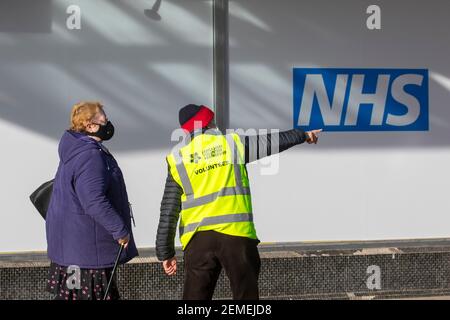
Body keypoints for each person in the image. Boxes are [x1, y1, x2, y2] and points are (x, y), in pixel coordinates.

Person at [156, 104, 321, 300]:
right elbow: (271, 142)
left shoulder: (178, 158)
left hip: (198, 241)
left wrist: (165, 252)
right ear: (208, 122)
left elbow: (169, 210)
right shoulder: (231, 144)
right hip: (236, 235)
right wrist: (303, 135)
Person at [46, 101, 138, 300]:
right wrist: (120, 230)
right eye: (104, 119)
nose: (108, 123)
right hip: (88, 253)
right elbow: (93, 200)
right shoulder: (89, 155)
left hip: (75, 249)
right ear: (90, 125)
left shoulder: (74, 151)